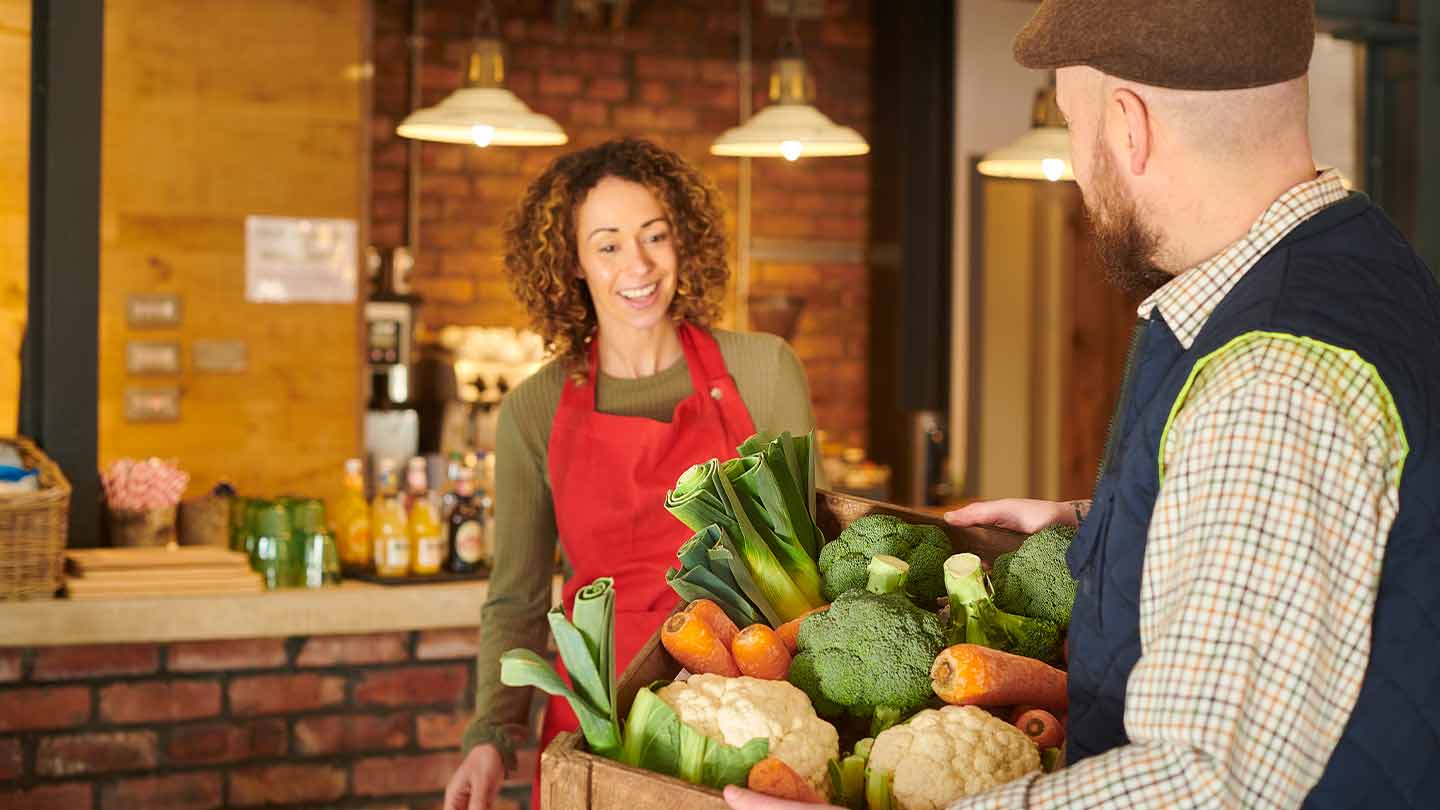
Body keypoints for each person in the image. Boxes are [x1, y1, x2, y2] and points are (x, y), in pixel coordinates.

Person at [727, 1, 1440, 809]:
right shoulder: (1365, 265)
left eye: (1073, 123)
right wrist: (1109, 525)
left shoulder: (1270, 379)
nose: (1074, 160)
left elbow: (1202, 785)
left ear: (1129, 126)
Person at [445, 137, 819, 810]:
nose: (637, 265)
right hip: (597, 730)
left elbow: (816, 565)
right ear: (573, 263)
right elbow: (517, 600)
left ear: (685, 244)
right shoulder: (533, 409)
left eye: (655, 236)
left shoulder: (762, 371)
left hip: (746, 729)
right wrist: (491, 733)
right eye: (608, 244)